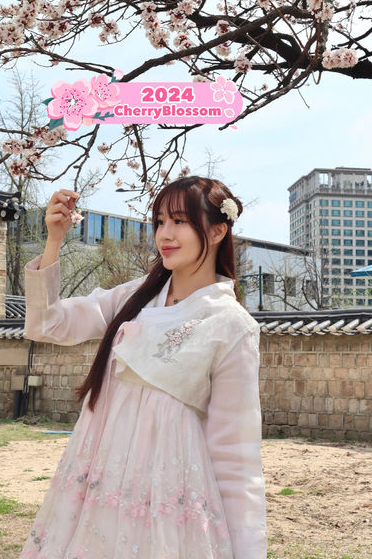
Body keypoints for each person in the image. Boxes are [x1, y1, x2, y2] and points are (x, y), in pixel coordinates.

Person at [19, 176, 267, 559]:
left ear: (218, 230)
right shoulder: (134, 297)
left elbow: (236, 456)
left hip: (170, 504)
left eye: (180, 222)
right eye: (159, 222)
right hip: (100, 487)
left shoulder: (232, 326)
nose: (165, 234)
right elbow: (49, 323)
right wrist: (54, 240)